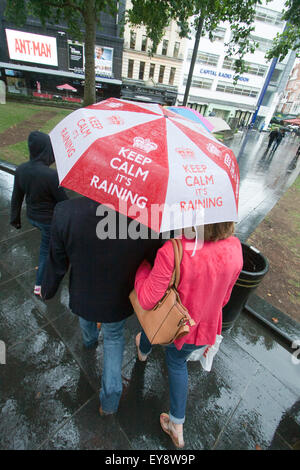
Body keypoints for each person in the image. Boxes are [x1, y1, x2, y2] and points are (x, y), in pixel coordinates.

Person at [41, 198, 162, 415]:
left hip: (83, 294)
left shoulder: (66, 211)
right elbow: (155, 261)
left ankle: (89, 343)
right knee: (114, 338)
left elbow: (57, 261)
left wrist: (47, 289)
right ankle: (111, 397)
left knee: (86, 321)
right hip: (117, 300)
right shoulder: (146, 218)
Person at [133, 223, 243, 448]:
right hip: (205, 326)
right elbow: (224, 298)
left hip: (176, 328)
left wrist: (142, 270)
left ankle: (176, 424)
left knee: (174, 360)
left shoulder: (173, 250)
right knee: (174, 357)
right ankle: (143, 349)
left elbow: (147, 300)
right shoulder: (235, 248)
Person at [10, 131, 68, 296]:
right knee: (45, 252)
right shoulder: (50, 175)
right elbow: (63, 202)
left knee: (48, 245)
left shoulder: (21, 169)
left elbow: (16, 197)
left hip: (32, 217)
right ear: (45, 150)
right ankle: (40, 285)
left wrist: (15, 219)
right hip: (47, 222)